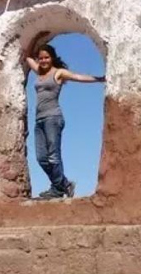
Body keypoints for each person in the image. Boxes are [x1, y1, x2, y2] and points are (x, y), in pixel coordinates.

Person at [25, 44, 104, 199]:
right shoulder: (39, 72)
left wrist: (100, 79)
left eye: (46, 57)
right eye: (41, 58)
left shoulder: (58, 73)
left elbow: (78, 77)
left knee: (53, 155)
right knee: (41, 158)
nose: (43, 60)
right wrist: (36, 42)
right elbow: (27, 57)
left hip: (53, 118)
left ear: (52, 58)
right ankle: (64, 184)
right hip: (39, 119)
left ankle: (57, 188)